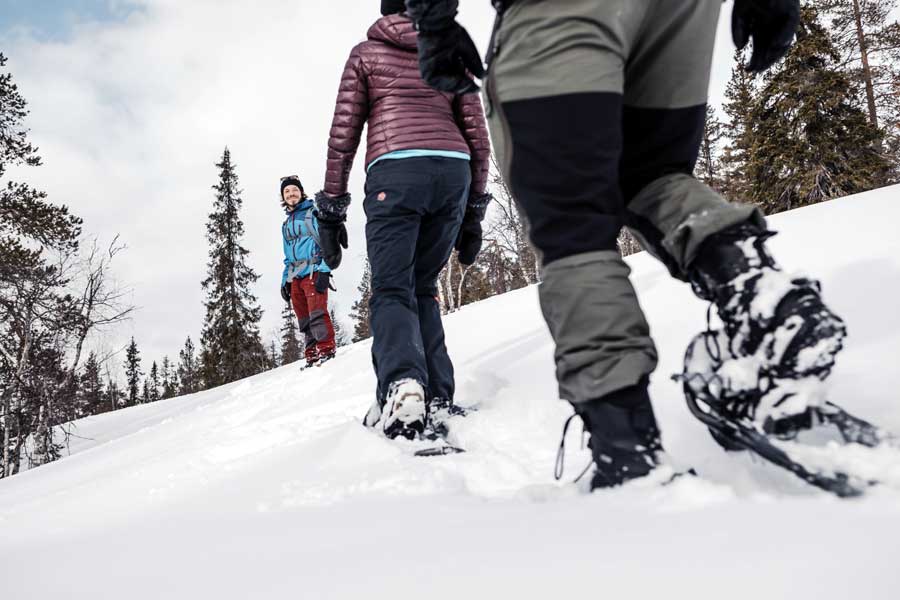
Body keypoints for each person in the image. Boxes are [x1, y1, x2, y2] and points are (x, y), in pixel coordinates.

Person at [405, 0, 847, 488]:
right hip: (683, 13)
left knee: (570, 220)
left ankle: (626, 449)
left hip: (562, 13)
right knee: (652, 177)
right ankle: (767, 299)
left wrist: (433, 21)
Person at [314, 0, 492, 440]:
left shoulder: (366, 53)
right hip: (453, 171)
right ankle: (437, 394)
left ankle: (401, 384)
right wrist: (473, 210)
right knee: (424, 287)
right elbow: (478, 135)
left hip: (395, 172)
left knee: (393, 288)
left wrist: (332, 209)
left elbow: (344, 135)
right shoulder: (450, 51)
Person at [279, 175, 337, 368]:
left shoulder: (313, 213)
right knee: (303, 318)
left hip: (314, 270)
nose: (291, 193)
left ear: (301, 192)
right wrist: (284, 281)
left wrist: (325, 271)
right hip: (295, 275)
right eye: (287, 191)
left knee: (317, 313)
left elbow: (329, 243)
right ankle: (311, 355)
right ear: (283, 196)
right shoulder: (286, 225)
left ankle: (326, 350)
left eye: (294, 190)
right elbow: (288, 256)